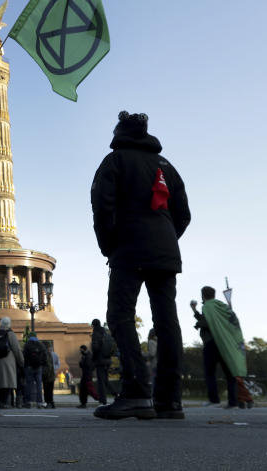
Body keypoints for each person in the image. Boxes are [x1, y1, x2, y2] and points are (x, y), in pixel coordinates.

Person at [91, 111, 191, 420]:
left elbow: (102, 207)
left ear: (120, 132)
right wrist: (164, 239)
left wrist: (110, 245)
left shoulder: (115, 161)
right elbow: (184, 214)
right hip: (165, 252)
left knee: (120, 316)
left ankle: (136, 391)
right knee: (166, 322)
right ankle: (169, 400)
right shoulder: (167, 166)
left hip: (129, 248)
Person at [191, 286, 252, 409]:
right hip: (225, 344)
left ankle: (214, 400)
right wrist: (195, 311)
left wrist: (197, 322)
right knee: (230, 374)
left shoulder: (207, 307)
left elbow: (206, 322)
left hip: (212, 343)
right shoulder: (222, 306)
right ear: (214, 294)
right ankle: (233, 402)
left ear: (202, 295)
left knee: (210, 372)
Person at [0, 317, 23, 409]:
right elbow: (16, 349)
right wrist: (21, 361)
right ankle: (6, 403)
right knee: (8, 382)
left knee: (1, 382)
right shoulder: (10, 334)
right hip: (8, 361)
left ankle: (1, 402)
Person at [90, 319, 115, 405]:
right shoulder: (106, 334)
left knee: (101, 381)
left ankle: (103, 400)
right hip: (107, 360)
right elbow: (112, 348)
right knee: (105, 380)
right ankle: (116, 394)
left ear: (93, 325)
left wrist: (93, 359)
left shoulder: (95, 334)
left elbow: (95, 348)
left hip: (100, 360)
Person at [22, 334, 46, 408]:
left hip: (29, 367)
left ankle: (27, 402)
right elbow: (45, 356)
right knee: (39, 385)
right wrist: (41, 364)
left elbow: (24, 356)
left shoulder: (27, 345)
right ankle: (39, 402)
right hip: (38, 367)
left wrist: (25, 365)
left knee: (29, 384)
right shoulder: (41, 345)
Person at [42, 343, 59, 409]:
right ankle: (51, 403)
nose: (50, 349)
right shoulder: (52, 354)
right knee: (49, 391)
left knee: (47, 391)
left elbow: (48, 366)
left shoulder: (46, 355)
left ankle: (48, 403)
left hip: (48, 376)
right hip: (50, 375)